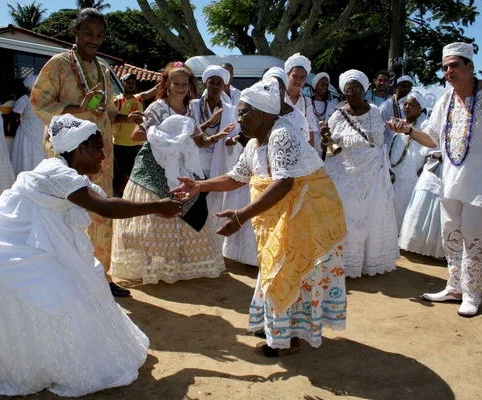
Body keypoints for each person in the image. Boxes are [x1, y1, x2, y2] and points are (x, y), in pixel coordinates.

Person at [0, 114, 183, 397]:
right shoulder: (56, 173)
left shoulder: (66, 173)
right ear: (79, 149)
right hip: (9, 243)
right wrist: (156, 207)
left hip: (35, 241)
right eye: (98, 148)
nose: (103, 154)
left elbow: (101, 201)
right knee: (51, 292)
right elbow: (106, 208)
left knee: (66, 289)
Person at [171, 79, 347, 356]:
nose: (238, 117)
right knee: (277, 269)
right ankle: (282, 330)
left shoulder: (282, 135)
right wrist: (199, 186)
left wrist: (240, 216)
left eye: (244, 112)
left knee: (288, 270)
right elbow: (236, 177)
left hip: (307, 215)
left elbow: (284, 184)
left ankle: (290, 338)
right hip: (285, 215)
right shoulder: (256, 142)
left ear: (264, 114)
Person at [387, 42, 482, 317]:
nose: (449, 72)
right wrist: (407, 129)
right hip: (450, 181)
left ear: (470, 66)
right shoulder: (445, 100)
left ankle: (472, 295)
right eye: (445, 67)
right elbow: (432, 139)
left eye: (454, 65)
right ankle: (455, 287)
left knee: (475, 241)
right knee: (451, 236)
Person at [30, 8, 137, 296]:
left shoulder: (103, 68)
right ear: (74, 33)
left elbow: (107, 110)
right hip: (70, 155)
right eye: (88, 33)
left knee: (100, 211)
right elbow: (39, 101)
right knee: (69, 209)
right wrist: (79, 109)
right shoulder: (59, 64)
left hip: (99, 155)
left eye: (99, 35)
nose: (94, 39)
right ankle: (67, 275)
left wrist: (127, 119)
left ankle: (101, 275)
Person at [111, 61, 226, 284]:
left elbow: (197, 141)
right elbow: (137, 135)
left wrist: (216, 136)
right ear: (167, 84)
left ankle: (181, 266)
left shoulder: (192, 108)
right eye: (176, 83)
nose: (181, 88)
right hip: (153, 167)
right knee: (155, 218)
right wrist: (166, 134)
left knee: (188, 213)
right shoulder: (157, 107)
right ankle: (156, 268)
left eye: (185, 83)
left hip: (183, 168)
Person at [323, 70, 399, 278]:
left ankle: (362, 261)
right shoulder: (338, 114)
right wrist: (326, 139)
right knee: (343, 213)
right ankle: (339, 260)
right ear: (344, 92)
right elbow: (329, 144)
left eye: (357, 89)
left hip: (368, 174)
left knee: (365, 214)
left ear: (364, 90)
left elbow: (376, 141)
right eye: (349, 90)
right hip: (341, 171)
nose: (353, 94)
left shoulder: (373, 111)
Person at [191, 65, 257, 266]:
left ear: (224, 85)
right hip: (196, 160)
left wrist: (232, 141)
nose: (216, 86)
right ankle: (193, 247)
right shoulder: (193, 105)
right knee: (194, 204)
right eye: (212, 82)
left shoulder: (229, 110)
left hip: (219, 162)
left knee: (215, 204)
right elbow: (191, 132)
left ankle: (212, 248)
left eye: (220, 83)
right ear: (206, 83)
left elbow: (237, 133)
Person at [389, 91, 429, 233]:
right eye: (405, 104)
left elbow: (431, 147)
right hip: (396, 172)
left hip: (413, 171)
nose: (406, 107)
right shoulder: (402, 122)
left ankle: (406, 235)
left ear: (419, 108)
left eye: (411, 104)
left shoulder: (425, 123)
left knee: (407, 204)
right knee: (394, 203)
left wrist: (424, 168)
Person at [113, 73, 158, 197]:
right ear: (123, 83)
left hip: (137, 145)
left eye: (133, 81)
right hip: (119, 145)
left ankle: (134, 198)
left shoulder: (139, 98)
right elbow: (111, 118)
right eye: (128, 82)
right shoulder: (117, 101)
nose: (131, 84)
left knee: (136, 175)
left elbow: (155, 90)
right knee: (120, 176)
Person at [284, 53, 320, 151]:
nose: (298, 81)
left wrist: (311, 155)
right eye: (295, 76)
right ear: (288, 75)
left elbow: (310, 130)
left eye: (302, 77)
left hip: (300, 149)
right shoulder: (279, 97)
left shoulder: (306, 102)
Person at [11, 75, 46, 176]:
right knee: (28, 157)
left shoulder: (43, 99)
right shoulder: (24, 99)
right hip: (27, 133)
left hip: (40, 132)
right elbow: (15, 115)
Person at [262, 67, 310, 141]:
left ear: (285, 88)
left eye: (280, 87)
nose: (276, 90)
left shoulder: (297, 116)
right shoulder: (257, 111)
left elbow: (305, 145)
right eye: (271, 86)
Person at [380, 75, 413, 147]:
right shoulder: (385, 106)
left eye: (409, 87)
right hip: (388, 146)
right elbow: (379, 129)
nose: (406, 89)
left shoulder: (412, 107)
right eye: (403, 86)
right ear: (396, 87)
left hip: (407, 146)